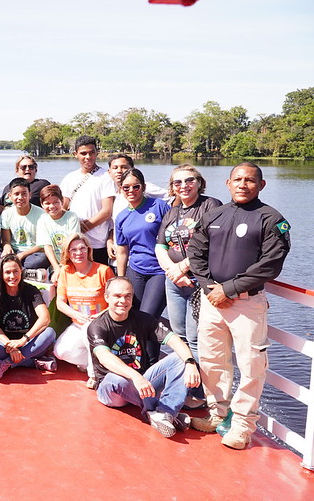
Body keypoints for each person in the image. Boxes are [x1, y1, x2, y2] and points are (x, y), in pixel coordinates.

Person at [187, 162, 291, 450]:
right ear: (228, 183)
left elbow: (270, 264)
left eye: (250, 180)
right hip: (212, 301)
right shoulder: (215, 214)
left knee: (251, 367)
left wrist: (230, 289)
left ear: (261, 185)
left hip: (247, 305)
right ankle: (217, 414)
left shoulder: (271, 219)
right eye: (238, 179)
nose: (243, 184)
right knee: (212, 361)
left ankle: (242, 427)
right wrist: (210, 287)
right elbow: (196, 251)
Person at [90, 277, 201, 438]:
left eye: (128, 296)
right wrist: (135, 376)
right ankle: (160, 410)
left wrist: (190, 363)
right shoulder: (98, 326)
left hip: (142, 383)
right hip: (113, 390)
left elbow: (175, 340)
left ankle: (165, 412)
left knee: (180, 358)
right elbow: (104, 357)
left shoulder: (143, 319)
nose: (123, 301)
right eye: (117, 296)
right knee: (117, 380)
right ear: (106, 297)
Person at [154, 164, 222, 354]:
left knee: (194, 337)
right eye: (178, 182)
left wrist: (182, 267)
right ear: (172, 187)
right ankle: (184, 380)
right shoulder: (172, 212)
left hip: (198, 280)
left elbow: (212, 243)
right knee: (179, 335)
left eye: (189, 180)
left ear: (199, 183)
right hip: (174, 281)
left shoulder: (210, 205)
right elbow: (160, 247)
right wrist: (173, 272)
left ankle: (198, 382)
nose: (183, 185)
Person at [54, 233, 114, 388]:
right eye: (73, 250)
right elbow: (60, 303)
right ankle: (96, 361)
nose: (78, 253)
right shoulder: (66, 271)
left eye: (82, 248)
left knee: (90, 327)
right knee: (60, 351)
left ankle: (95, 375)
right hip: (78, 321)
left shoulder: (103, 271)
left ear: (88, 250)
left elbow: (114, 301)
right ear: (68, 253)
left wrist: (97, 317)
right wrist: (76, 315)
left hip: (102, 323)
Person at [0, 254, 56, 381]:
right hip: (5, 344)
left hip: (29, 341)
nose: (12, 276)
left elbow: (45, 318)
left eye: (15, 271)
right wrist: (10, 346)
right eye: (7, 272)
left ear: (21, 271)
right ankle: (33, 362)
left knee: (50, 333)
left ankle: (6, 364)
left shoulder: (31, 290)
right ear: (0, 274)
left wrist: (23, 340)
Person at [114, 168, 170, 320]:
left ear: (143, 187)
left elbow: (174, 237)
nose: (131, 190)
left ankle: (164, 340)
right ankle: (141, 344)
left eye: (136, 186)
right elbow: (122, 250)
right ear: (121, 189)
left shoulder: (158, 206)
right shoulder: (121, 217)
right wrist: (121, 278)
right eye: (126, 187)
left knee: (148, 316)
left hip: (159, 270)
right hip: (136, 269)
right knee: (131, 314)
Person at [59, 135, 116, 265]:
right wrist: (73, 229)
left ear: (97, 153)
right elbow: (63, 206)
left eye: (92, 152)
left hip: (97, 242)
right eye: (83, 153)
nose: (88, 157)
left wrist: (84, 227)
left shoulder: (105, 177)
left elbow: (107, 211)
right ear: (75, 154)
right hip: (74, 242)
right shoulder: (70, 178)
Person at [0, 177, 49, 272]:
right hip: (14, 252)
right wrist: (7, 247)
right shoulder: (6, 213)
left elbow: (42, 244)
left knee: (44, 258)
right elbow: (6, 240)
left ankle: (12, 268)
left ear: (30, 195)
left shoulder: (41, 214)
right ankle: (20, 269)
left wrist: (22, 255)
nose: (20, 197)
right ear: (10, 196)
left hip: (33, 253)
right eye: (16, 194)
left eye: (24, 194)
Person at [36, 184, 81, 280]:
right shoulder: (42, 220)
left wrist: (65, 267)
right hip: (56, 264)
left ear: (62, 201)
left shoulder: (71, 217)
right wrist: (56, 268)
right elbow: (47, 246)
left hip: (73, 261)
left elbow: (72, 243)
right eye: (47, 203)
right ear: (41, 204)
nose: (52, 206)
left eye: (55, 202)